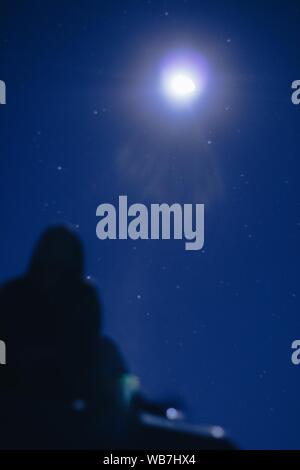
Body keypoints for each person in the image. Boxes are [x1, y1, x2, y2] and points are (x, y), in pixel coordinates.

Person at [0, 226, 129, 448]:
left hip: (67, 386)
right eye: (49, 260)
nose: (53, 271)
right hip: (14, 383)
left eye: (61, 263)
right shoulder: (13, 295)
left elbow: (89, 346)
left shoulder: (82, 297)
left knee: (105, 350)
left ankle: (125, 412)